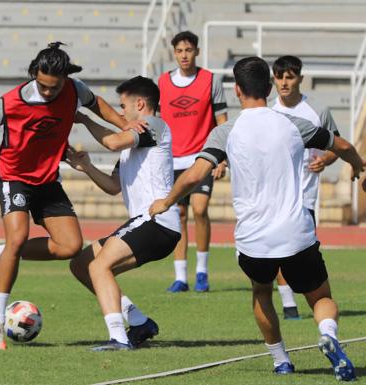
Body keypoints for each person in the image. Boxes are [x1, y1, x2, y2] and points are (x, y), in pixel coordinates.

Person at [0, 42, 145, 350]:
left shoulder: (75, 90)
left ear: (65, 79)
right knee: (18, 237)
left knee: (70, 246)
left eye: (55, 87)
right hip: (13, 177)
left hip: (47, 177)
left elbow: (99, 106)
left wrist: (125, 124)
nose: (49, 92)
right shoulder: (11, 102)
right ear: (33, 75)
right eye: (43, 86)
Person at [150, 56, 362, 380]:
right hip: (295, 232)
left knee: (261, 292)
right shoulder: (293, 124)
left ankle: (281, 360)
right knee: (321, 297)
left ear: (237, 90)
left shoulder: (226, 132)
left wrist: (166, 201)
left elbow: (195, 175)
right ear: (269, 86)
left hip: (253, 239)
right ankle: (328, 334)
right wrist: (359, 167)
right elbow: (343, 145)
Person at [66, 76, 180, 350]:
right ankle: (139, 322)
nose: (120, 113)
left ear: (140, 104)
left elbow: (114, 142)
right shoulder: (136, 142)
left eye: (123, 106)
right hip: (145, 222)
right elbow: (113, 187)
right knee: (82, 264)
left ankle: (118, 337)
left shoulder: (153, 124)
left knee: (99, 265)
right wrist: (87, 168)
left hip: (157, 222)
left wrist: (84, 119)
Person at [157, 31, 228, 293]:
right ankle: (180, 277)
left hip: (202, 159)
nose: (184, 55)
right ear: (174, 53)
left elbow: (222, 121)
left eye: (189, 50)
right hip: (171, 161)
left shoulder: (210, 80)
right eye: (179, 51)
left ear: (196, 51)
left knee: (199, 209)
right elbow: (157, 123)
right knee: (179, 215)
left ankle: (202, 272)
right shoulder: (163, 82)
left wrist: (222, 158)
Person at [271, 55, 340, 321]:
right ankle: (289, 305)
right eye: (279, 77)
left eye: (289, 76)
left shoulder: (317, 111)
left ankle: (318, 300)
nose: (284, 82)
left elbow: (337, 145)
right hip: (275, 197)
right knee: (278, 249)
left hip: (305, 197)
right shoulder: (268, 111)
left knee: (302, 251)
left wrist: (325, 159)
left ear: (300, 78)